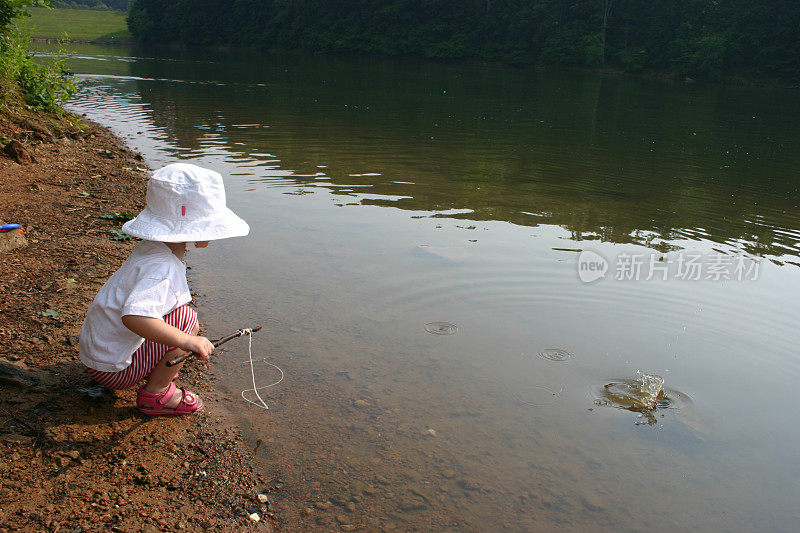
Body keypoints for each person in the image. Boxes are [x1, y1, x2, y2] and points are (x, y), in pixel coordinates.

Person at [79, 163, 249, 415]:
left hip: (99, 357)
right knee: (185, 320)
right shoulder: (163, 267)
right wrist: (186, 340)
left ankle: (155, 371)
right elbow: (134, 316)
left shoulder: (151, 250)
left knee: (181, 319)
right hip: (112, 371)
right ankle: (156, 395)